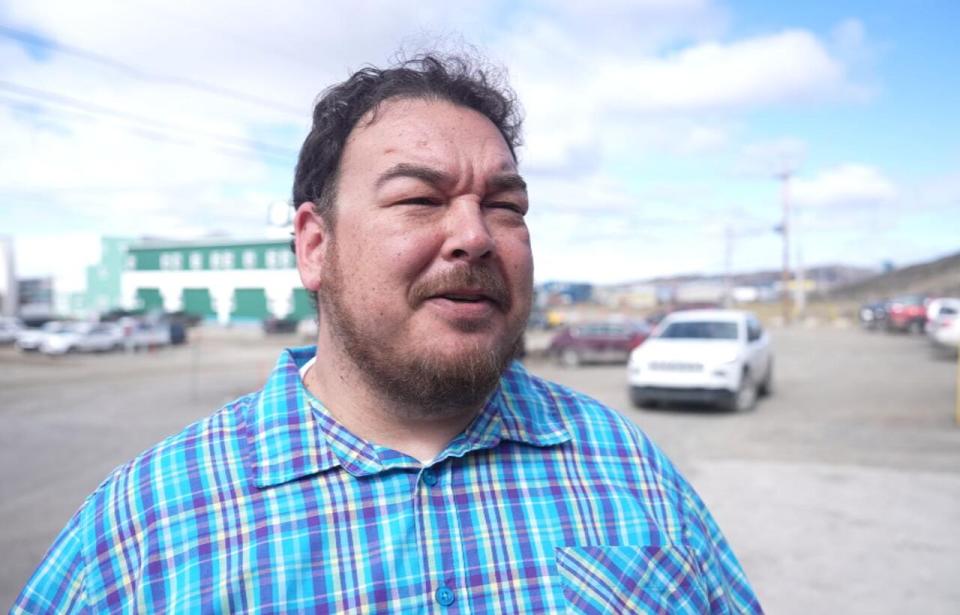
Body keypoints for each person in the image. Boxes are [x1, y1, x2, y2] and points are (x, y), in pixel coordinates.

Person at [13, 54, 763, 614]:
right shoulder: (145, 528)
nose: (474, 235)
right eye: (418, 198)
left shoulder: (631, 471)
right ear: (315, 246)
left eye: (506, 205)